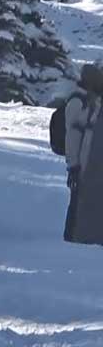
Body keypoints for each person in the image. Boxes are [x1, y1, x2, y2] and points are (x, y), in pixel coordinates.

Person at [66, 62, 103, 244]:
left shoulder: (92, 101)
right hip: (84, 165)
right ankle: (72, 239)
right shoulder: (80, 102)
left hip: (87, 164)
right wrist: (73, 165)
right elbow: (73, 136)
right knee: (78, 204)